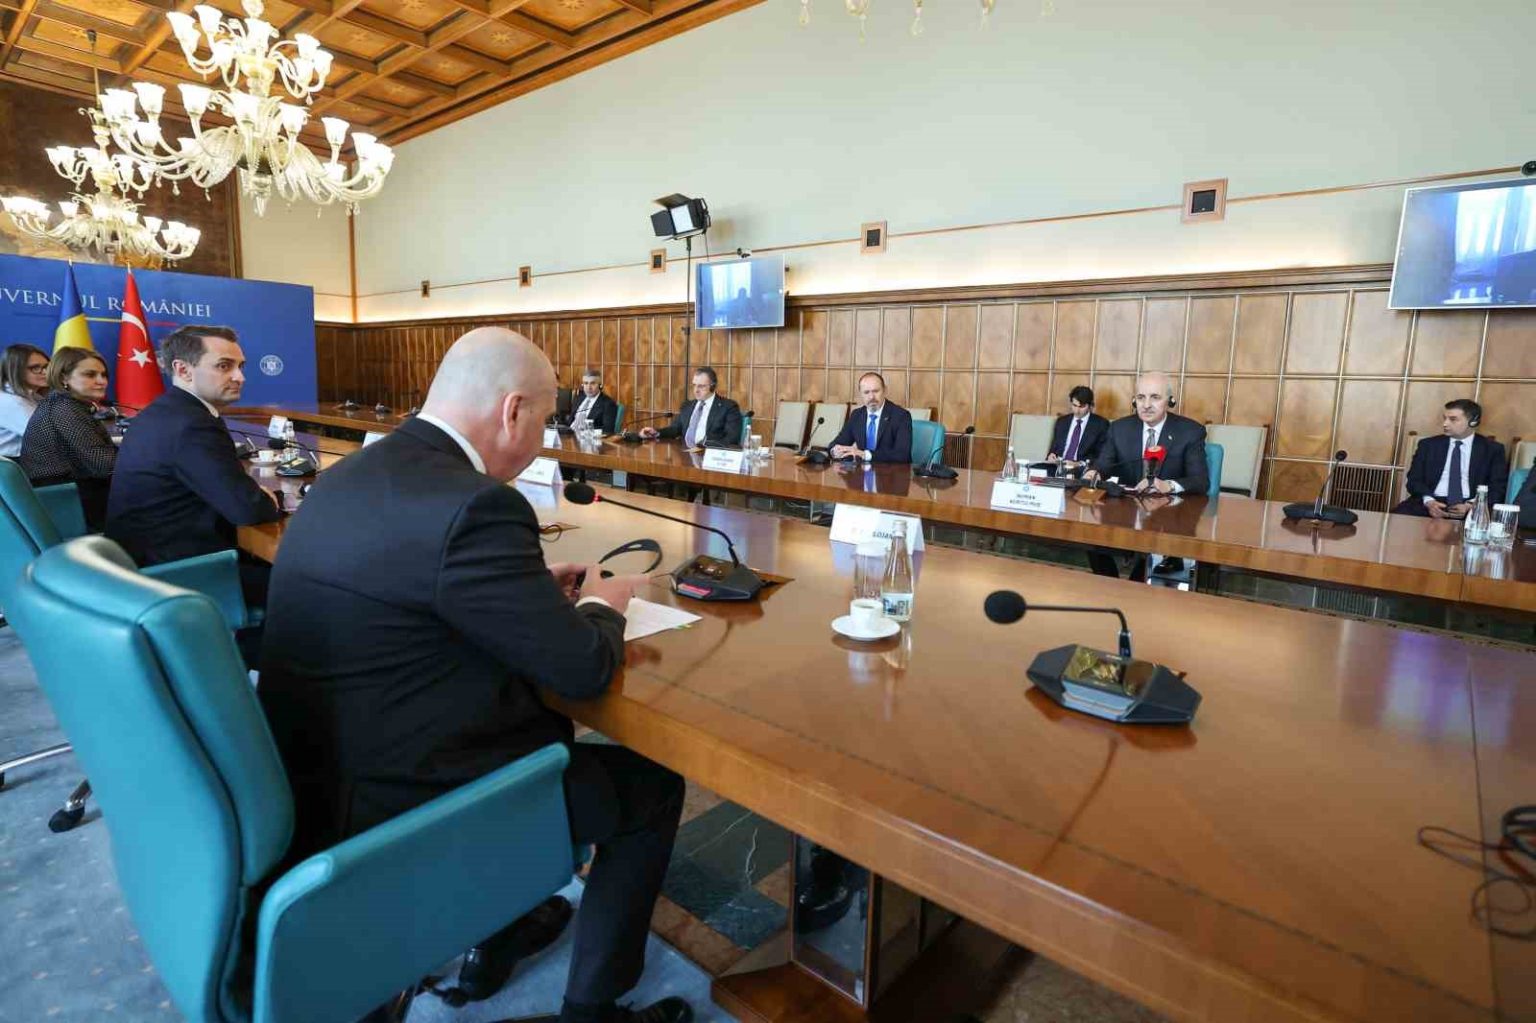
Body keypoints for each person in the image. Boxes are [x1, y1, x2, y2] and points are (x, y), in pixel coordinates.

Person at [258, 327, 691, 1023]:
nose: (542, 440)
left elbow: (412, 591)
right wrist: (598, 604)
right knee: (652, 789)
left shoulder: (351, 473)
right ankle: (593, 1009)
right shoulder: (477, 504)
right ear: (513, 410)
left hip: (313, 771)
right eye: (544, 421)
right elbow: (580, 669)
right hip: (410, 802)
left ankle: (502, 929)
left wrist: (524, 589)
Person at [104, 325, 282, 612]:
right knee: (315, 584)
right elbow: (249, 509)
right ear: (183, 370)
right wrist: (264, 498)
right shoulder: (192, 424)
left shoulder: (164, 411)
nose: (240, 377)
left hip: (142, 564)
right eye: (224, 366)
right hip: (179, 575)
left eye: (240, 366)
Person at [18, 347, 116, 531]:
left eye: (103, 375)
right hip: (66, 499)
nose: (101, 381)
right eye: (90, 375)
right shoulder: (64, 408)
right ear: (64, 378)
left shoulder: (67, 403)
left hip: (78, 491)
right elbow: (104, 465)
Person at [1087, 372, 1209, 495]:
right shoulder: (1118, 429)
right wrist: (1094, 473)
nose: (1146, 405)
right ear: (1134, 401)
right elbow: (1103, 466)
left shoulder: (1190, 431)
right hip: (1127, 503)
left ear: (1170, 401)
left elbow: (1200, 481)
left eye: (1155, 397)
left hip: (1169, 504)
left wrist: (1169, 485)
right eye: (1141, 397)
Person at [1393, 399, 1508, 518]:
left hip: (1473, 505)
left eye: (1453, 419)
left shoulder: (1492, 449)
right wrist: (1429, 502)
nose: (1445, 424)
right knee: (1396, 518)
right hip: (1430, 501)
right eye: (1445, 418)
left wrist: (1471, 506)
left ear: (1473, 422)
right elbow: (1414, 480)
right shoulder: (1428, 445)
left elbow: (1497, 487)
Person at [641, 366, 742, 448]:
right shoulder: (687, 406)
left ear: (713, 386)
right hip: (685, 454)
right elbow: (675, 429)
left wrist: (707, 448)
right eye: (694, 385)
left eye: (701, 386)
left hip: (709, 456)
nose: (696, 390)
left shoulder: (728, 407)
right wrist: (656, 432)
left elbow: (732, 438)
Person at [829, 371, 913, 464]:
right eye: (866, 392)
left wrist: (865, 455)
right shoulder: (857, 415)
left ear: (885, 391)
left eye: (876, 391)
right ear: (861, 394)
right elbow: (837, 443)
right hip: (861, 470)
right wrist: (835, 451)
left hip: (890, 471)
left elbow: (902, 455)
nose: (871, 397)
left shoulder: (901, 416)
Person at [0, 343, 50, 457]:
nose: (45, 372)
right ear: (16, 370)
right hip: (10, 463)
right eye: (36, 368)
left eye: (47, 367)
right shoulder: (11, 402)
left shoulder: (33, 396)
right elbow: (47, 438)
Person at [1047, 385, 1108, 466]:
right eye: (1074, 405)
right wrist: (1051, 455)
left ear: (1090, 406)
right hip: (1058, 466)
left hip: (1081, 469)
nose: (1077, 410)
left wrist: (1079, 464)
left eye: (1082, 407)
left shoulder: (1101, 425)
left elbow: (1102, 456)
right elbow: (1053, 449)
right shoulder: (1061, 422)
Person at [564, 368, 619, 434]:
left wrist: (586, 430)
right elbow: (570, 421)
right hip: (569, 434)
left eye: (592, 383)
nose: (589, 387)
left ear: (600, 385)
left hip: (588, 437)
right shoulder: (578, 398)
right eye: (586, 383)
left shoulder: (608, 404)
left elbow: (608, 430)